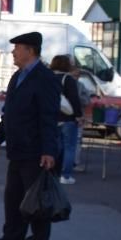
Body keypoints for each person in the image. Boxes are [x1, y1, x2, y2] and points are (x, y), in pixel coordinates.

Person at [0, 32, 60, 240]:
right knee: (13, 199)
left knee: (35, 201)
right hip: (17, 150)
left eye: (17, 48)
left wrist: (48, 150)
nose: (13, 52)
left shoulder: (45, 78)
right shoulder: (18, 76)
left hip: (35, 150)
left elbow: (48, 116)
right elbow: (10, 113)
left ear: (30, 50)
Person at [49, 54, 83, 185]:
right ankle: (66, 175)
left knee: (57, 146)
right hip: (68, 117)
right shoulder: (67, 79)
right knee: (69, 147)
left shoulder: (49, 78)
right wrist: (79, 116)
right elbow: (74, 99)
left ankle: (54, 171)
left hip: (53, 116)